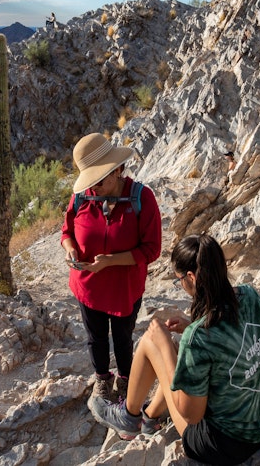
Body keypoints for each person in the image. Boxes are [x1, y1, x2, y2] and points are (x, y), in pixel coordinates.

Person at [89, 234, 260, 466]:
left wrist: (167, 351)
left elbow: (191, 415)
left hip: (226, 445)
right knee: (181, 356)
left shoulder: (199, 337)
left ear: (191, 277)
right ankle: (149, 419)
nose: (180, 284)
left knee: (154, 341)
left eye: (179, 278)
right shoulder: (249, 295)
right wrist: (191, 325)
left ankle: (129, 417)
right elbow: (232, 340)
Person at [61, 133, 162, 403]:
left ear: (118, 169)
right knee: (96, 339)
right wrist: (70, 249)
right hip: (88, 286)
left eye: (101, 178)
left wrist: (109, 261)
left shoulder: (142, 198)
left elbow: (151, 249)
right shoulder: (82, 197)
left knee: (122, 338)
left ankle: (126, 381)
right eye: (91, 179)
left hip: (124, 289)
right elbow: (66, 231)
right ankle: (102, 379)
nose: (95, 186)